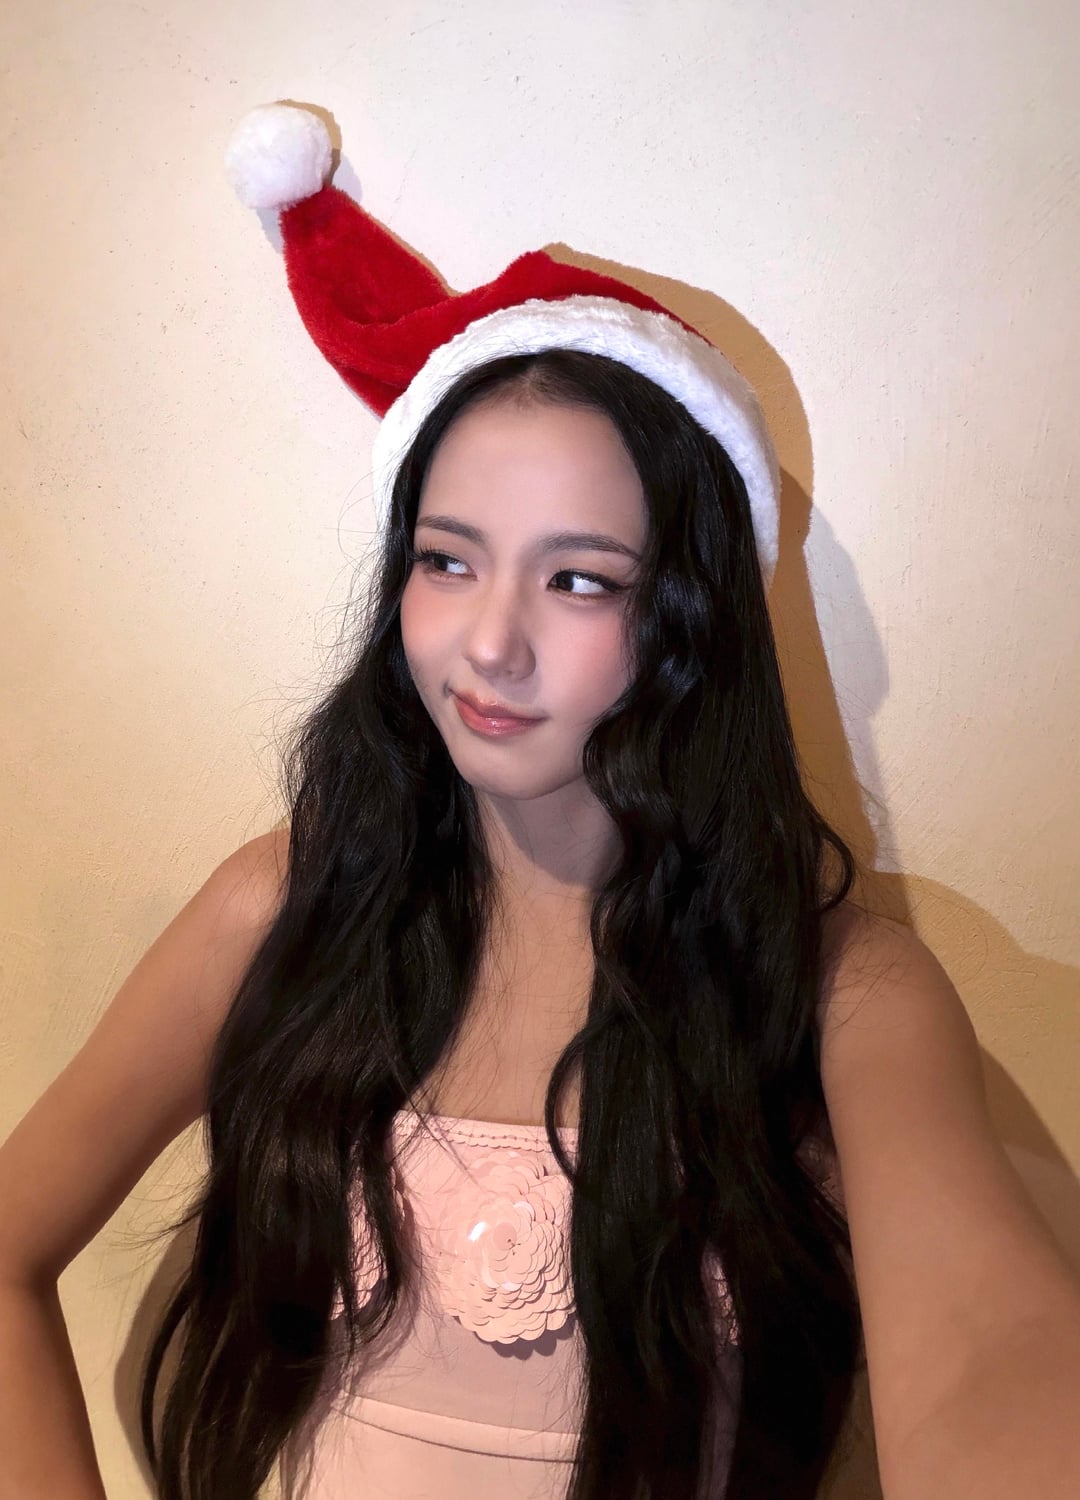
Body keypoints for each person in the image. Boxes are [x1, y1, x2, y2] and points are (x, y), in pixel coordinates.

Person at [2, 103, 1079, 1500]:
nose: (490, 643)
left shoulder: (840, 993)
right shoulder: (282, 906)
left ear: (689, 618)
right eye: (447, 561)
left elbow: (993, 1351)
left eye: (579, 579)